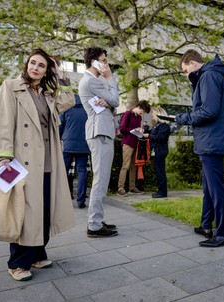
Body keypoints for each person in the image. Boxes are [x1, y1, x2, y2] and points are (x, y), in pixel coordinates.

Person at [0, 48, 76, 281]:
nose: (35, 68)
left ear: (46, 71)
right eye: (33, 63)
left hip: (48, 160)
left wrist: (61, 76)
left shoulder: (47, 94)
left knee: (43, 210)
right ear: (27, 64)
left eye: (42, 65)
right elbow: (3, 123)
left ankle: (38, 254)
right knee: (24, 212)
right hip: (23, 160)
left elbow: (69, 100)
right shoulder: (11, 87)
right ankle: (17, 263)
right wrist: (5, 156)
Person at [175, 49, 224, 248]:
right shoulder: (210, 75)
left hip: (212, 141)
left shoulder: (209, 75)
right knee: (209, 187)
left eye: (185, 71)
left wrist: (184, 119)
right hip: (210, 140)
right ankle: (206, 225)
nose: (186, 75)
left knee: (216, 189)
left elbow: (208, 111)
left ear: (192, 63)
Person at [79, 47, 119, 238]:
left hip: (101, 132)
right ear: (94, 61)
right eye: (103, 60)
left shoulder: (93, 81)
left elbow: (112, 104)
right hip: (99, 133)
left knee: (102, 179)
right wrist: (110, 78)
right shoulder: (91, 81)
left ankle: (97, 220)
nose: (106, 64)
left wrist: (110, 103)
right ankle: (94, 225)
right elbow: (115, 100)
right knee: (100, 180)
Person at [59, 94, 91, 208]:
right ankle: (81, 200)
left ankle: (63, 200)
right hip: (84, 145)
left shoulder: (66, 109)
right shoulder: (87, 109)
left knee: (63, 172)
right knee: (82, 172)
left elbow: (60, 126)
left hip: (67, 145)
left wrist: (59, 138)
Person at [117, 100, 151, 196]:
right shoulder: (127, 114)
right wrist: (134, 129)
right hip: (127, 143)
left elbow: (135, 130)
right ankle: (120, 188)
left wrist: (140, 130)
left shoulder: (138, 117)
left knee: (133, 166)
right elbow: (122, 129)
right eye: (142, 111)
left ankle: (132, 187)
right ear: (139, 107)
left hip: (135, 142)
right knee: (125, 165)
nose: (142, 113)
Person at [143, 107, 171, 198]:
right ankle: (160, 190)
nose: (152, 116)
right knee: (158, 171)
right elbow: (152, 132)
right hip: (156, 150)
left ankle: (162, 192)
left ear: (159, 114)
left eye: (153, 114)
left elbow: (159, 138)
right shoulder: (158, 125)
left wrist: (148, 136)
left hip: (160, 150)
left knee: (160, 171)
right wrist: (145, 130)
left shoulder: (164, 126)